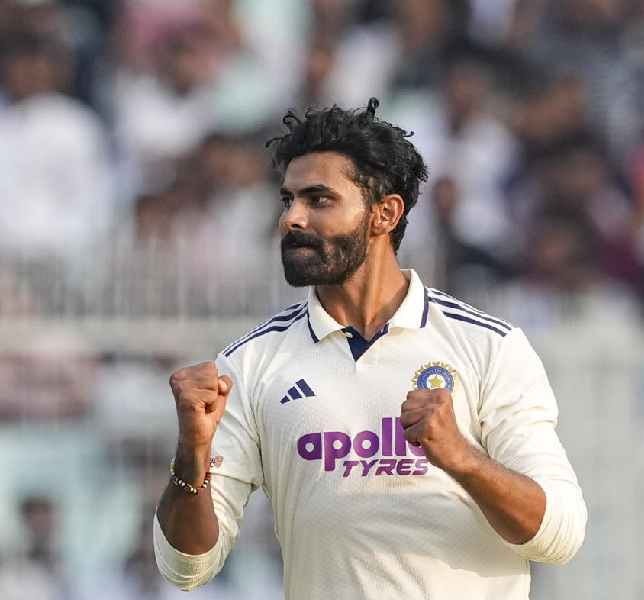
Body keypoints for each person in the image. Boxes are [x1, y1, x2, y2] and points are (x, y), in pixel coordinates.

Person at [153, 100, 587, 599]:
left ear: (385, 213)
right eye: (287, 199)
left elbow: (561, 534)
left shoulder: (489, 346)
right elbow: (188, 567)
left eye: (318, 200)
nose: (292, 218)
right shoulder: (250, 364)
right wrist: (191, 455)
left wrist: (463, 459)